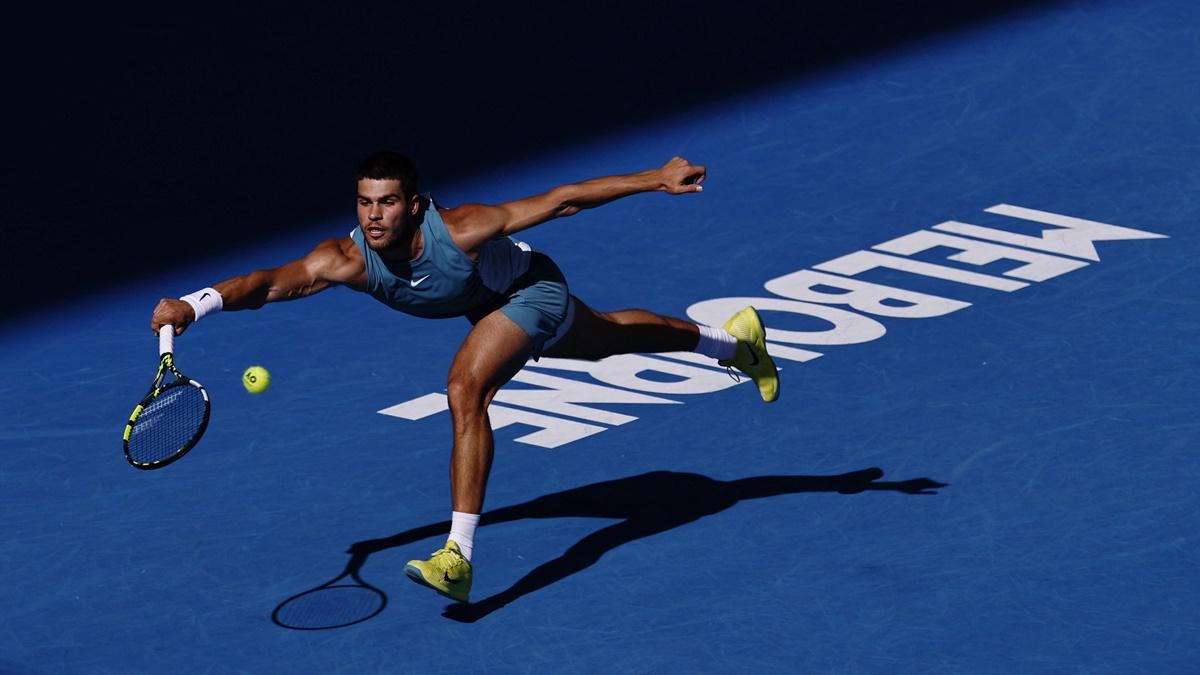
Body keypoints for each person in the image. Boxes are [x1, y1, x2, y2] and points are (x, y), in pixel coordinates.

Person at [150, 151, 778, 603]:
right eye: (365, 203)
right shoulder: (342, 259)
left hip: (529, 289)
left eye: (388, 202)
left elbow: (561, 200)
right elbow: (264, 285)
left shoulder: (463, 229)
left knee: (464, 388)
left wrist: (656, 180)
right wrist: (194, 303)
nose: (375, 216)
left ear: (414, 205)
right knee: (608, 342)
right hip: (488, 304)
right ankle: (732, 341)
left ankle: (459, 558)